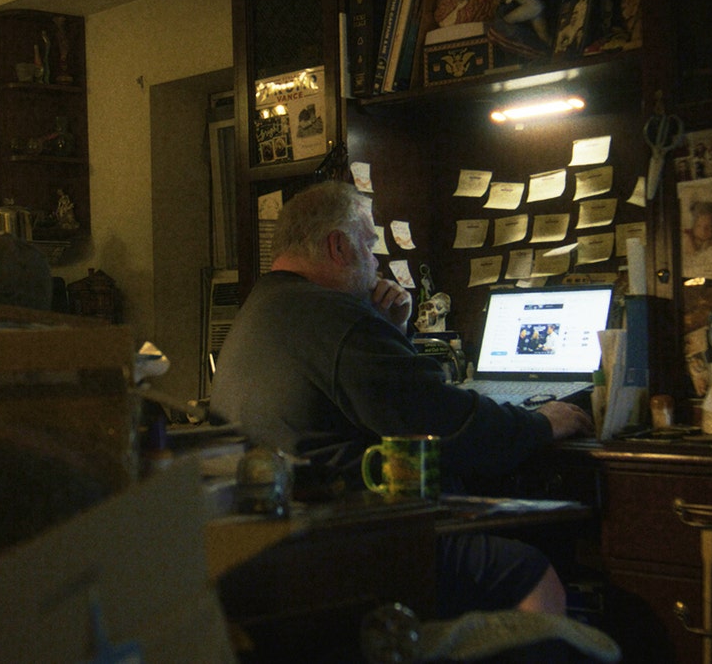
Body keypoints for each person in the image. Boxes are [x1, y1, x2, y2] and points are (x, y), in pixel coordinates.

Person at [210, 181, 593, 618]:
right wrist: (544, 422)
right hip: (351, 548)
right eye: (369, 245)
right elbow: (449, 425)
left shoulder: (262, 307)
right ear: (338, 247)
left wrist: (390, 327)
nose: (375, 262)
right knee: (531, 574)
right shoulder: (335, 318)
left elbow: (389, 400)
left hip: (283, 552)